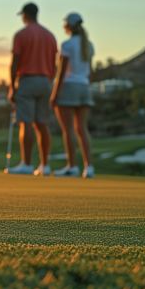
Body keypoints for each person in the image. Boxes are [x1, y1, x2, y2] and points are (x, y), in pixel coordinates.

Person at [7, 2, 57, 176]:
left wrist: (12, 86)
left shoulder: (21, 34)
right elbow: (54, 64)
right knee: (42, 124)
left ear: (26, 15)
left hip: (27, 81)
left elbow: (15, 63)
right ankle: (45, 165)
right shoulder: (50, 36)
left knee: (26, 122)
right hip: (45, 81)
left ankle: (27, 164)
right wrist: (50, 82)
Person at [50, 13, 95, 178]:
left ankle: (72, 166)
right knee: (82, 129)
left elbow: (61, 72)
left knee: (68, 129)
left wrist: (54, 94)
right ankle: (89, 167)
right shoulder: (89, 45)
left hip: (69, 87)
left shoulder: (67, 44)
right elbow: (90, 72)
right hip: (84, 88)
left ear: (69, 26)